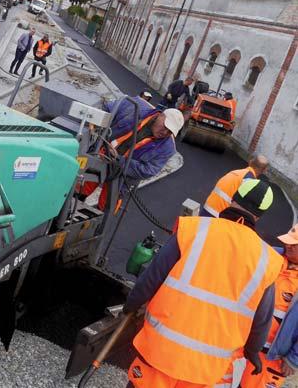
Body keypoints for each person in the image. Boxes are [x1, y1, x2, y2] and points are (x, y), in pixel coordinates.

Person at [124, 179, 282, 388]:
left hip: (161, 353)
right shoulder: (267, 259)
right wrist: (253, 351)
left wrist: (131, 306)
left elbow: (151, 277)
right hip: (206, 369)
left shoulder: (194, 229)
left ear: (233, 197)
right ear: (260, 215)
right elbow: (262, 319)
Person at [81, 98, 183, 210]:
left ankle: (96, 225)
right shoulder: (135, 108)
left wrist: (119, 160)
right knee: (80, 188)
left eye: (170, 132)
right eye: (165, 127)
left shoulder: (167, 148)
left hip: (122, 177)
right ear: (160, 115)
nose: (165, 132)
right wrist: (95, 130)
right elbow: (107, 109)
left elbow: (148, 170)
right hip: (101, 157)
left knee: (105, 209)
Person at [240, 224, 298, 388]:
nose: (288, 246)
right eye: (288, 242)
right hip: (240, 339)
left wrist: (294, 360)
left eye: (294, 245)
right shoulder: (270, 257)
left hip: (272, 357)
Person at [202, 155, 269, 217]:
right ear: (265, 170)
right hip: (218, 216)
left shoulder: (236, 172)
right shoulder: (249, 182)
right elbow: (242, 208)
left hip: (207, 209)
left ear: (250, 162)